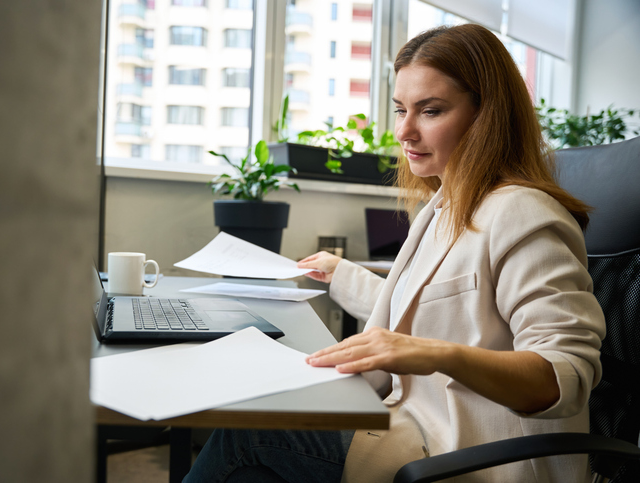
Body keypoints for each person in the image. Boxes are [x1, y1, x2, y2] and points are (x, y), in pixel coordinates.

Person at [183, 23, 605, 483]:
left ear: (487, 115)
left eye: (431, 110)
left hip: (471, 456)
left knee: (247, 435)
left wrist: (439, 354)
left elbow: (564, 376)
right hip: (410, 427)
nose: (404, 131)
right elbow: (421, 308)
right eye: (401, 109)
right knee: (257, 429)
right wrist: (341, 274)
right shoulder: (444, 207)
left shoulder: (522, 214)